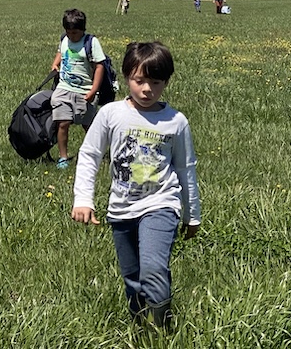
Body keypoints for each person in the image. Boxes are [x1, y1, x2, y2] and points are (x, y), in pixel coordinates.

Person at [71, 41, 201, 330]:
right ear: (127, 77)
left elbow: (185, 168)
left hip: (161, 205)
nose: (146, 90)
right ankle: (140, 326)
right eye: (139, 81)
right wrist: (83, 198)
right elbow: (90, 154)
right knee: (131, 276)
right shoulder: (111, 114)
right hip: (121, 208)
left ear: (166, 82)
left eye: (155, 82)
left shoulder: (175, 122)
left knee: (153, 269)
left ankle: (161, 330)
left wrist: (192, 214)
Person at [49, 9, 105, 170]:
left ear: (83, 29)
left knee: (88, 125)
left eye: (75, 33)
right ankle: (63, 157)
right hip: (64, 88)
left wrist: (94, 89)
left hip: (85, 90)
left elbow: (99, 66)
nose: (72, 36)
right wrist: (55, 63)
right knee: (63, 123)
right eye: (69, 32)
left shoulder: (91, 42)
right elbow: (61, 51)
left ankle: (94, 154)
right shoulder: (65, 39)